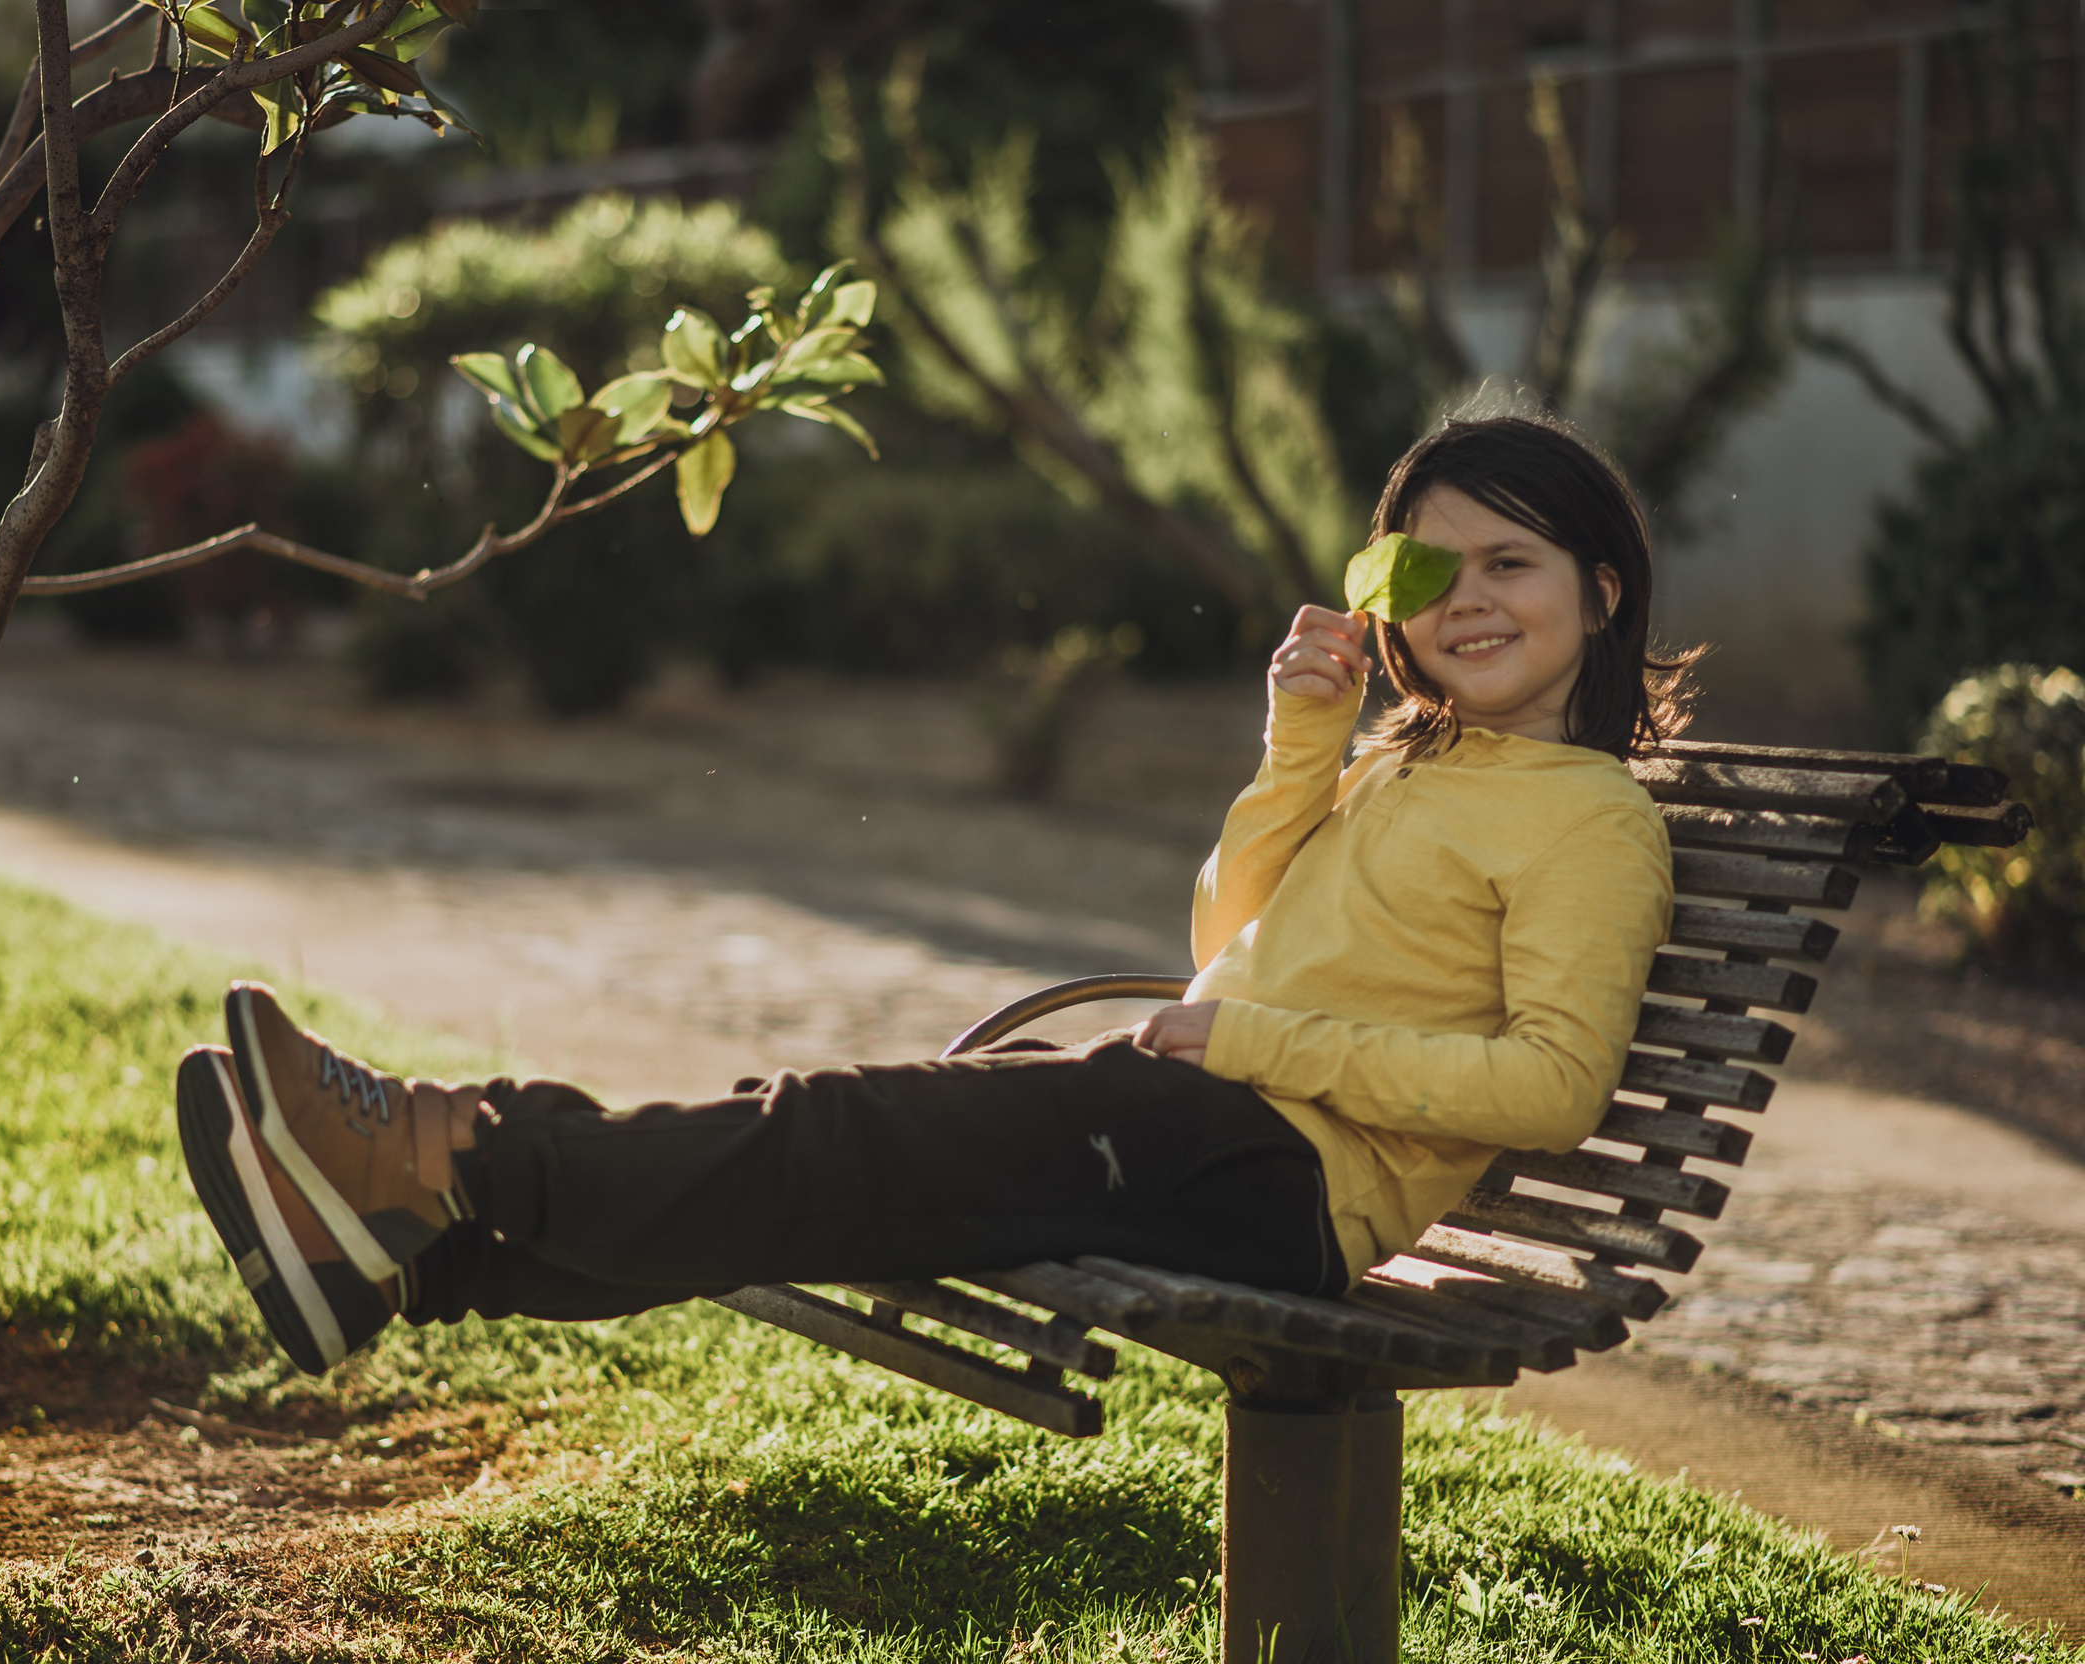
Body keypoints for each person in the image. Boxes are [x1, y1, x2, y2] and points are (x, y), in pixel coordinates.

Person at [173, 412, 1691, 1376]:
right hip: (1199, 1121)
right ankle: (410, 1256)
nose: (1469, 604)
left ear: (1601, 590)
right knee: (839, 1159)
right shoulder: (1406, 765)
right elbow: (1223, 941)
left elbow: (1552, 1088)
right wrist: (1305, 742)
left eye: (1512, 564)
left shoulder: (1590, 817)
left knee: (842, 1131)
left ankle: (440, 1155)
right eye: (1423, 577)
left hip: (1272, 1178)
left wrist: (1246, 1049)